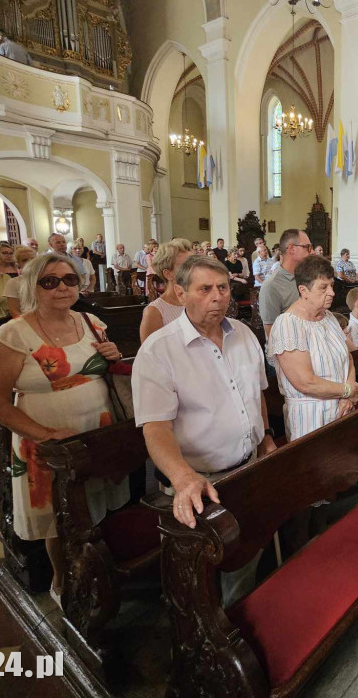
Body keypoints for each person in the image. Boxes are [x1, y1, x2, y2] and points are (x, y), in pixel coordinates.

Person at [0, 254, 130, 605]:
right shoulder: (12, 335)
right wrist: (43, 434)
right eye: (50, 281)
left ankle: (95, 572)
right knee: (57, 517)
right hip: (45, 437)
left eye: (69, 280)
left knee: (94, 505)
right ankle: (64, 582)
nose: (62, 287)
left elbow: (107, 370)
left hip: (97, 427)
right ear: (31, 286)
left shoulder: (91, 321)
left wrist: (113, 355)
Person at [132, 255, 274, 604]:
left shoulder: (242, 334)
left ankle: (238, 619)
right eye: (205, 289)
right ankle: (202, 636)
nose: (218, 296)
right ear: (180, 294)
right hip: (198, 482)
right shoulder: (159, 351)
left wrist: (267, 437)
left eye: (223, 288)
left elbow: (257, 395)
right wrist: (183, 479)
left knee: (245, 558)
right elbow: (156, 429)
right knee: (198, 574)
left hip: (248, 467)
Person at [267, 255, 358, 440]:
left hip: (343, 408)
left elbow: (347, 358)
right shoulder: (288, 325)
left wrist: (348, 397)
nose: (332, 292)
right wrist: (348, 390)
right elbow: (305, 382)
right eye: (323, 287)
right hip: (309, 418)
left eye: (332, 285)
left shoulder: (329, 317)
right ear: (303, 290)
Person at [258, 229, 312, 338]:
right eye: (307, 247)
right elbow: (272, 334)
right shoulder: (271, 286)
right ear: (291, 248)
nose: (312, 252)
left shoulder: (308, 278)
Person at [140, 239, 192, 344]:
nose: (194, 270)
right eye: (186, 267)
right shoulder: (154, 312)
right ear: (168, 274)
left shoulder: (199, 302)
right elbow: (150, 357)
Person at [4, 245, 37, 318]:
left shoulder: (47, 279)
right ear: (18, 263)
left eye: (32, 259)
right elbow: (14, 311)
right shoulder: (13, 282)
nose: (30, 262)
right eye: (24, 260)